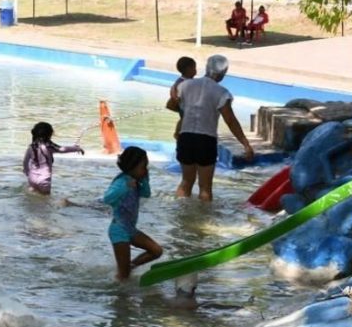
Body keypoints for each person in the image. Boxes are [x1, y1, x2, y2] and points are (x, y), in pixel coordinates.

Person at [175, 55, 254, 201]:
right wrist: (245, 144)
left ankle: (179, 219)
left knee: (186, 182)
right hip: (205, 140)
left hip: (185, 137)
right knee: (205, 187)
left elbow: (175, 105)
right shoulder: (221, 93)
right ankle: (204, 221)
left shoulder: (185, 86)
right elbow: (230, 120)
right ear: (223, 73)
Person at [103, 146, 162, 281]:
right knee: (124, 277)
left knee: (156, 251)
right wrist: (126, 187)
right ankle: (121, 297)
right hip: (119, 231)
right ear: (132, 166)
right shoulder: (121, 181)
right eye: (143, 167)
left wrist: (145, 180)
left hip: (130, 229)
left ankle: (129, 266)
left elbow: (146, 194)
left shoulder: (136, 180)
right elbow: (107, 198)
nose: (146, 169)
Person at [22, 121, 84, 195]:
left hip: (32, 177)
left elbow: (25, 162)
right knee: (45, 200)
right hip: (44, 179)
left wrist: (27, 173)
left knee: (33, 196)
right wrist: (76, 148)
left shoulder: (31, 147)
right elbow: (62, 149)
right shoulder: (48, 146)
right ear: (49, 134)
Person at [165, 56, 197, 139]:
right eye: (194, 68)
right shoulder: (186, 83)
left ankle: (178, 135)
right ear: (189, 69)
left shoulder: (181, 81)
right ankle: (178, 135)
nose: (196, 70)